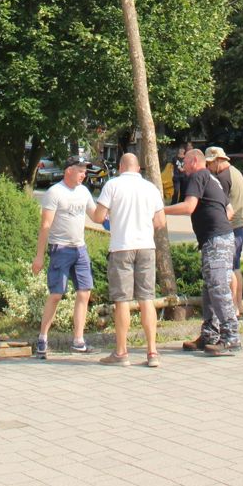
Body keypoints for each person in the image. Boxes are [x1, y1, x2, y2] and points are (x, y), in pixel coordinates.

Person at [90, 153, 166, 367]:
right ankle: (152, 352)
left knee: (122, 300)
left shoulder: (112, 185)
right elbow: (160, 221)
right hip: (146, 247)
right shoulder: (151, 188)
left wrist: (110, 218)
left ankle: (121, 352)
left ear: (121, 167)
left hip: (121, 247)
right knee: (147, 298)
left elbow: (98, 217)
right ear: (138, 168)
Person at [166, 148, 240, 356]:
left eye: (185, 163)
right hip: (219, 238)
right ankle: (209, 334)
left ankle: (231, 337)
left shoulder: (198, 176)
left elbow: (189, 206)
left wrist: (160, 210)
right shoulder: (212, 178)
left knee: (218, 287)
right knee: (210, 288)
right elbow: (229, 211)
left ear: (194, 161)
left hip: (216, 240)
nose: (183, 167)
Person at [32, 157, 96, 359]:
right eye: (81, 170)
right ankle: (43, 338)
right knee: (56, 294)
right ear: (69, 170)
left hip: (80, 249)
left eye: (85, 171)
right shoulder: (55, 192)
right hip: (60, 249)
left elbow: (96, 216)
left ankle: (78, 340)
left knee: (84, 292)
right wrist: (39, 256)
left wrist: (113, 214)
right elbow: (45, 225)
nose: (84, 174)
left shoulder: (84, 192)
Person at [205, 146, 243, 315]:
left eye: (210, 163)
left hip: (230, 227)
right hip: (240, 225)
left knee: (229, 269)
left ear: (217, 160)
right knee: (236, 267)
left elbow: (220, 205)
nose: (208, 167)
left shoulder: (222, 178)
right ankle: (239, 305)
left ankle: (233, 306)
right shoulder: (235, 172)